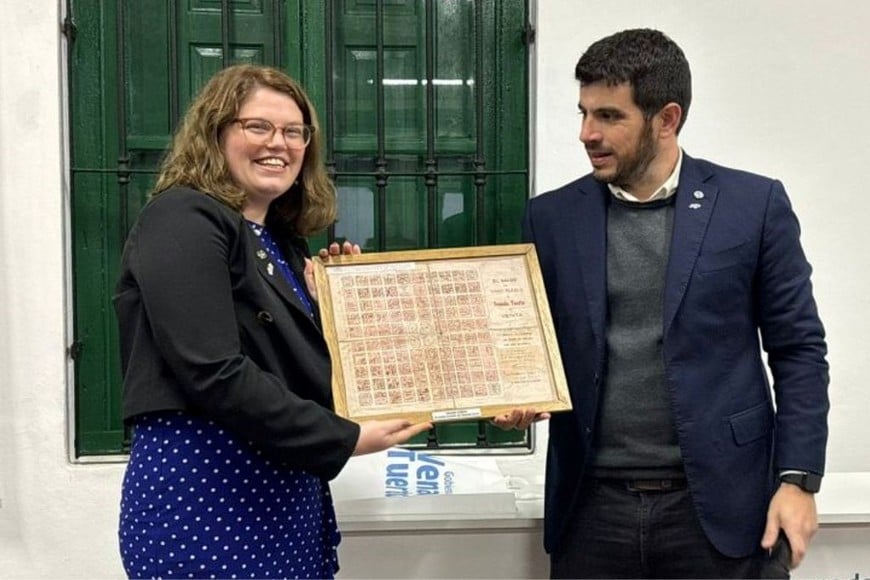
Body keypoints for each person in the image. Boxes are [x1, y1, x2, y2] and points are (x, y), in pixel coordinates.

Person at [496, 28, 829, 578]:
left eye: (608, 116)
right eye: (582, 113)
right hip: (590, 510)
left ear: (666, 119)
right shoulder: (551, 218)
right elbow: (532, 342)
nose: (586, 133)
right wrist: (515, 393)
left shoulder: (752, 206)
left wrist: (797, 480)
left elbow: (799, 350)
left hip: (719, 507)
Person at [114, 64, 431, 579]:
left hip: (282, 495)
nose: (278, 144)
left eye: (293, 132)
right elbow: (211, 370)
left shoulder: (281, 242)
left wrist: (337, 310)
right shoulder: (182, 217)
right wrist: (344, 438)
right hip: (205, 493)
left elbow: (296, 369)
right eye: (257, 126)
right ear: (216, 132)